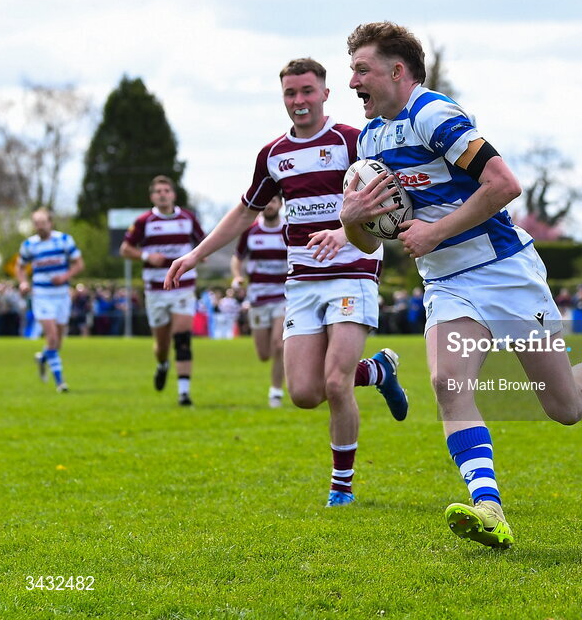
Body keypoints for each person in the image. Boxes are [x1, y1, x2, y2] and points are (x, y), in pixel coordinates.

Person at [341, 21, 582, 549]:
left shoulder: (434, 115)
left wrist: (437, 230)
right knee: (448, 384)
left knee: (563, 407)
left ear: (396, 71)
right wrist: (351, 217)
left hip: (506, 273)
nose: (352, 82)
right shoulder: (371, 137)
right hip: (447, 282)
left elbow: (505, 185)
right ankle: (488, 508)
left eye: (361, 69)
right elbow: (369, 243)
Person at [165, 57, 408, 508]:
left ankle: (341, 487)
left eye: (307, 91)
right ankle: (379, 371)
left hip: (352, 272)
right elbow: (244, 211)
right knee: (303, 393)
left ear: (325, 93)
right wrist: (197, 254)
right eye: (290, 94)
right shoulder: (273, 155)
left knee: (335, 384)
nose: (299, 101)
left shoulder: (351, 141)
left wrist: (343, 231)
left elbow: (387, 198)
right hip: (301, 282)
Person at [120, 176, 206, 406]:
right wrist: (147, 256)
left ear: (173, 194)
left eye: (166, 190)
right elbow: (125, 249)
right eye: (157, 191)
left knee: (182, 338)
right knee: (161, 346)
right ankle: (162, 364)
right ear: (152, 196)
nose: (162, 194)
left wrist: (199, 256)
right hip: (155, 290)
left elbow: (203, 244)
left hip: (183, 287)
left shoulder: (188, 218)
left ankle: (184, 393)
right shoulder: (144, 221)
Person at [231, 193, 290, 407]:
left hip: (283, 296)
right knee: (264, 354)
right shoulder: (251, 231)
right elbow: (237, 258)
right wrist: (237, 277)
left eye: (273, 201)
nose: (269, 205)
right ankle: (275, 387)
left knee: (279, 344)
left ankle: (275, 392)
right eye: (266, 201)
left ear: (280, 204)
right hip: (257, 298)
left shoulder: (289, 229)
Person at [17, 207, 84, 392]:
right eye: (36, 223)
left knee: (58, 343)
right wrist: (23, 283)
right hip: (42, 296)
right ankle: (60, 382)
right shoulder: (29, 245)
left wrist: (65, 277)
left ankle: (43, 358)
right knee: (52, 337)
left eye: (43, 222)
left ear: (50, 223)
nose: (39, 226)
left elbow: (79, 264)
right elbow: (20, 267)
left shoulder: (64, 240)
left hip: (62, 295)